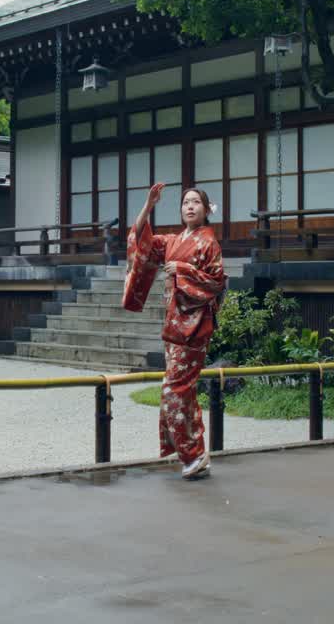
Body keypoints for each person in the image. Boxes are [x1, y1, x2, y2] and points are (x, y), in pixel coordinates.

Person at [123, 183, 227, 479]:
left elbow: (216, 282)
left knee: (174, 390)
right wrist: (149, 205)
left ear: (207, 211)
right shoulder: (173, 240)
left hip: (194, 327)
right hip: (174, 324)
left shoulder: (209, 243)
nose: (190, 207)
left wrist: (182, 269)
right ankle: (197, 453)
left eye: (196, 202)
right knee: (185, 391)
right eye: (185, 203)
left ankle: (192, 455)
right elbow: (141, 243)